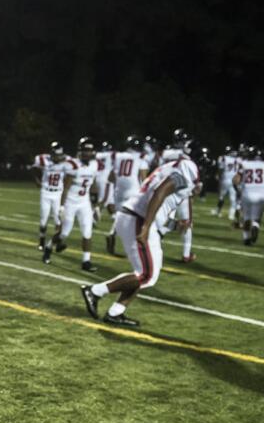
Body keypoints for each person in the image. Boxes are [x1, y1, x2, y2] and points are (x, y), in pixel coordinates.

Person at [79, 134, 200, 326]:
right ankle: (94, 291)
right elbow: (160, 192)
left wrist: (173, 225)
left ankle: (116, 312)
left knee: (143, 273)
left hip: (135, 216)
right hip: (138, 219)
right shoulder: (187, 169)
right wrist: (144, 228)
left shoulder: (170, 166)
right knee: (147, 275)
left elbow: (159, 203)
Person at [51, 136, 99, 271]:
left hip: (84, 203)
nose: (88, 153)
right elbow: (65, 188)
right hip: (71, 202)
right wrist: (61, 206)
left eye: (90, 150)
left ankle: (86, 261)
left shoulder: (94, 165)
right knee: (64, 233)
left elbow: (93, 185)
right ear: (80, 151)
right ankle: (49, 246)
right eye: (85, 150)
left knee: (87, 232)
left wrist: (96, 206)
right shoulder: (73, 165)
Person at [30, 140, 79, 263]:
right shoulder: (43, 159)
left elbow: (76, 166)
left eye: (60, 155)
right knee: (43, 219)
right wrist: (37, 179)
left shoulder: (67, 161)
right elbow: (34, 168)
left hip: (58, 193)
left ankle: (58, 243)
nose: (58, 157)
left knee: (59, 220)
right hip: (46, 192)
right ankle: (41, 241)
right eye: (56, 155)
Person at [106, 135, 148, 255]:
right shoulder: (141, 158)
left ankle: (112, 234)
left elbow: (111, 177)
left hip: (119, 190)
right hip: (133, 190)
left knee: (120, 216)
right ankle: (138, 246)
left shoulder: (118, 156)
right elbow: (144, 179)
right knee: (137, 219)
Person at [232, 145, 264, 245]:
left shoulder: (244, 164)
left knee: (247, 218)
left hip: (247, 194)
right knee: (257, 218)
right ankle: (256, 226)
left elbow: (235, 180)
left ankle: (246, 239)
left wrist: (238, 191)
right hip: (261, 195)